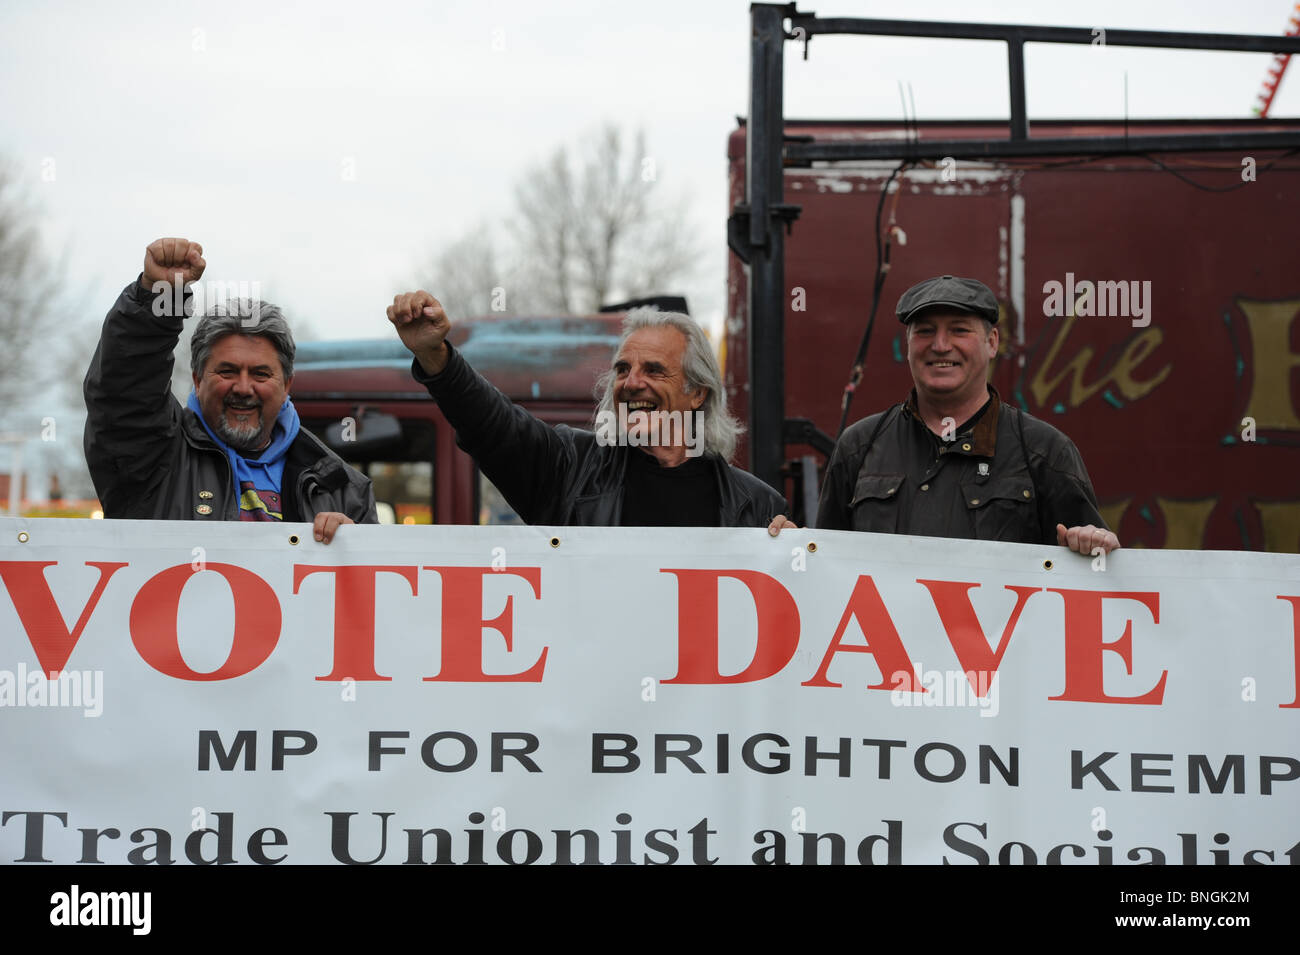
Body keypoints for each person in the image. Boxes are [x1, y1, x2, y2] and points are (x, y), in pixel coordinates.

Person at [386, 290, 787, 527]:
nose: (631, 384)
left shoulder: (757, 507)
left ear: (697, 392)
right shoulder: (569, 469)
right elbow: (492, 425)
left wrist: (796, 557)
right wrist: (436, 356)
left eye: (654, 370)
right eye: (622, 369)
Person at [84, 237, 375, 541]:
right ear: (197, 379)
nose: (243, 387)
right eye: (227, 371)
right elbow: (124, 393)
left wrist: (353, 551)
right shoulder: (154, 457)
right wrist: (159, 297)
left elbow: (376, 584)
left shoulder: (343, 488)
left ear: (287, 384)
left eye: (261, 374)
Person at [815, 275, 1119, 555]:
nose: (940, 346)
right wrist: (787, 543)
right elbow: (824, 567)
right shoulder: (859, 447)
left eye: (959, 330)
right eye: (924, 332)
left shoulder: (1044, 452)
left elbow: (1094, 577)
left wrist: (1095, 544)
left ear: (992, 342)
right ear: (907, 346)